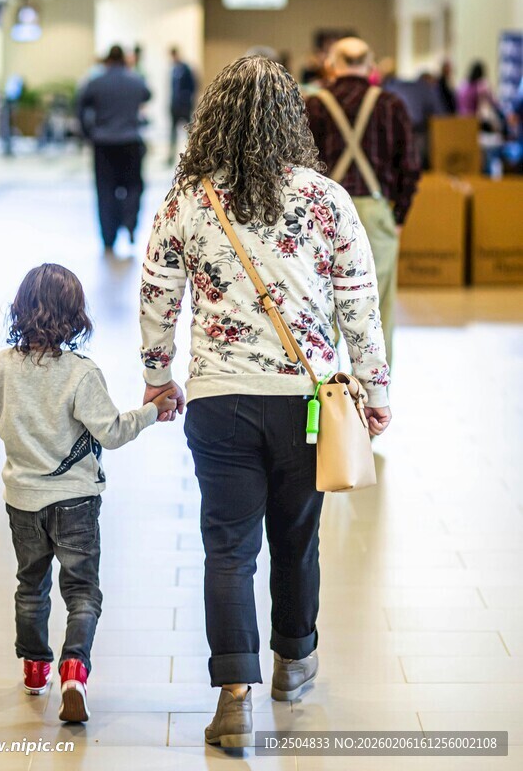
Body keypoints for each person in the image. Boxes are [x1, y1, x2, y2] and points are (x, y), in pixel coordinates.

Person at [139, 56, 391, 749]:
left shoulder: (187, 199)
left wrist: (159, 376)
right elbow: (358, 303)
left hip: (219, 401)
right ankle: (295, 662)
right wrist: (374, 390)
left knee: (227, 548)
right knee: (296, 538)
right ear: (291, 117)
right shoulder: (325, 197)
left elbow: (159, 294)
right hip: (304, 401)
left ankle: (234, 695)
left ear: (214, 114)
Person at [0, 263, 175, 723]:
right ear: (76, 316)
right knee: (82, 591)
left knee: (30, 586)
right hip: (74, 501)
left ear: (19, 309)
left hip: (23, 498)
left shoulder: (3, 365)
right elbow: (110, 432)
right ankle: (74, 669)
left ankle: (35, 669)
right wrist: (152, 412)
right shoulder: (81, 373)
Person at [306, 38, 420, 367]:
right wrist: (398, 217)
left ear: (331, 65)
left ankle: (325, 398)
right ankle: (375, 401)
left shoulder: (313, 105)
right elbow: (410, 168)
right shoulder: (391, 105)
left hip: (322, 214)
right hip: (375, 211)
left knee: (320, 307)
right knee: (377, 309)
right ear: (372, 66)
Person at [77, 45, 151, 251]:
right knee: (134, 186)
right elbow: (147, 96)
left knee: (105, 189)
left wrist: (87, 133)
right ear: (125, 61)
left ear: (107, 60)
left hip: (103, 144)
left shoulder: (95, 82)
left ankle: (108, 237)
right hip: (130, 142)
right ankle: (129, 223)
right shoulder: (136, 81)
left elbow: (80, 105)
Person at [168, 47, 197, 163]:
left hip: (184, 106)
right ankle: (171, 156)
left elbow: (193, 86)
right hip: (174, 105)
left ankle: (191, 154)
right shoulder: (173, 70)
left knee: (187, 131)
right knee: (172, 132)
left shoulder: (185, 69)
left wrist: (187, 99)